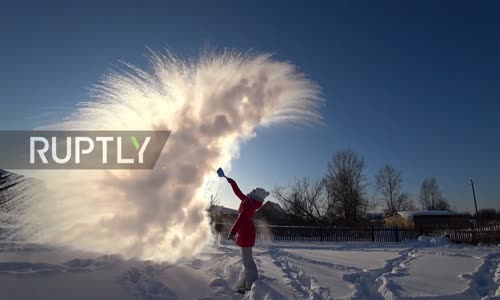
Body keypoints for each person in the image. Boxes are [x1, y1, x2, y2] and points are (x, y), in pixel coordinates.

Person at [225, 176, 269, 293]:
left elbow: (240, 219)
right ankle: (247, 283)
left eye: (254, 191)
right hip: (245, 234)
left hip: (246, 235)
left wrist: (232, 232)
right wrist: (232, 182)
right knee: (246, 261)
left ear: (256, 195)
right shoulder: (248, 200)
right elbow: (238, 192)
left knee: (248, 261)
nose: (252, 190)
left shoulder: (249, 205)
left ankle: (250, 285)